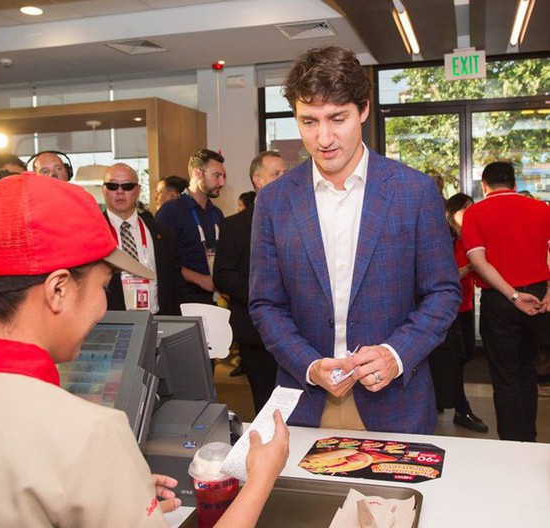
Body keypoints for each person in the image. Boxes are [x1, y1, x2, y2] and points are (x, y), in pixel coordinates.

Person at [0, 173, 289, 527]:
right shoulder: (88, 434)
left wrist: (111, 492)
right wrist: (260, 479)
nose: (104, 306)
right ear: (58, 290)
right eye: (102, 287)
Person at [249, 46, 461, 434]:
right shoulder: (275, 200)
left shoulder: (413, 191)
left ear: (363, 109)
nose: (323, 138)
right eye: (309, 121)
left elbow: (443, 292)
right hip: (305, 400)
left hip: (396, 401)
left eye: (337, 118)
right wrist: (308, 364)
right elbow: (266, 304)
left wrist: (396, 354)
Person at [462, 161, 550, 442]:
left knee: (505, 376)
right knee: (528, 370)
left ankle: (512, 444)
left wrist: (512, 295)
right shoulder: (542, 209)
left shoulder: (475, 212)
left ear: (484, 185)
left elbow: (478, 261)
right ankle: (529, 437)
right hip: (538, 297)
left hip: (500, 300)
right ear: (513, 183)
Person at [214, 151, 286, 413]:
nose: (283, 179)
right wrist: (263, 294)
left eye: (284, 173)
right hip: (255, 330)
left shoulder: (298, 219)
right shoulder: (234, 226)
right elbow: (222, 275)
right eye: (275, 174)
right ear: (258, 180)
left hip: (296, 329)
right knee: (266, 401)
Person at [429, 193, 488, 433]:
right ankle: (459, 406)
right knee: (453, 358)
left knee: (464, 356)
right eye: (468, 209)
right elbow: (439, 274)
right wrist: (467, 268)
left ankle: (446, 399)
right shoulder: (444, 236)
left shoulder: (467, 236)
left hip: (465, 304)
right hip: (447, 308)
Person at [102, 163, 187, 315]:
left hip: (159, 323)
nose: (120, 192)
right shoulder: (91, 234)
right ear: (103, 190)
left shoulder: (163, 233)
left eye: (127, 186)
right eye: (112, 186)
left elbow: (176, 284)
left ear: (138, 190)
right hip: (112, 324)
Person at [155, 148, 227, 305]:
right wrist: (200, 279)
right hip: (184, 300)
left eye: (223, 176)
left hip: (215, 299)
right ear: (197, 173)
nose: (222, 182)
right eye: (217, 176)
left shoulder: (216, 213)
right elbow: (162, 261)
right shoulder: (171, 211)